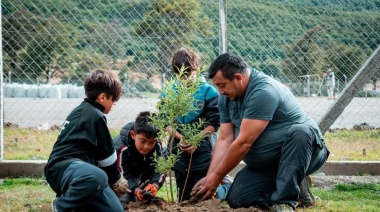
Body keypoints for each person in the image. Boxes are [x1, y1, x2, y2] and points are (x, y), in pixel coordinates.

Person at [193, 53, 330, 212]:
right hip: (270, 163)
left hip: (307, 151)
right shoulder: (226, 98)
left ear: (238, 78)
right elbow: (224, 139)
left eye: (222, 85)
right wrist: (211, 177)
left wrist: (216, 178)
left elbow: (244, 143)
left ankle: (285, 201)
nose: (220, 91)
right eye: (217, 86)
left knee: (301, 132)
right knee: (238, 200)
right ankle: (296, 184)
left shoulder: (263, 91)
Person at [45, 69, 129, 211]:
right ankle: (61, 206)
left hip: (81, 172)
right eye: (113, 99)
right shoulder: (95, 115)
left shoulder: (84, 111)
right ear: (102, 98)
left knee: (114, 209)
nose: (114, 103)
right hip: (64, 168)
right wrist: (116, 180)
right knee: (98, 177)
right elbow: (107, 158)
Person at [162, 47, 230, 202]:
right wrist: (181, 139)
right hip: (179, 154)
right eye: (181, 76)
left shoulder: (208, 92)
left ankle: (223, 187)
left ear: (197, 69)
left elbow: (214, 123)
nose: (185, 79)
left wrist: (195, 140)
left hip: (203, 152)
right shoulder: (169, 92)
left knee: (201, 194)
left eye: (189, 74)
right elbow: (165, 121)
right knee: (183, 196)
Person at [113, 111, 166, 204]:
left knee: (145, 198)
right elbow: (122, 174)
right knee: (124, 200)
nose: (147, 146)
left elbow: (159, 168)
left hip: (142, 171)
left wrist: (155, 185)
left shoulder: (157, 145)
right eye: (143, 141)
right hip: (117, 176)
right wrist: (135, 190)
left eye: (151, 142)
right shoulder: (121, 148)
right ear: (133, 135)